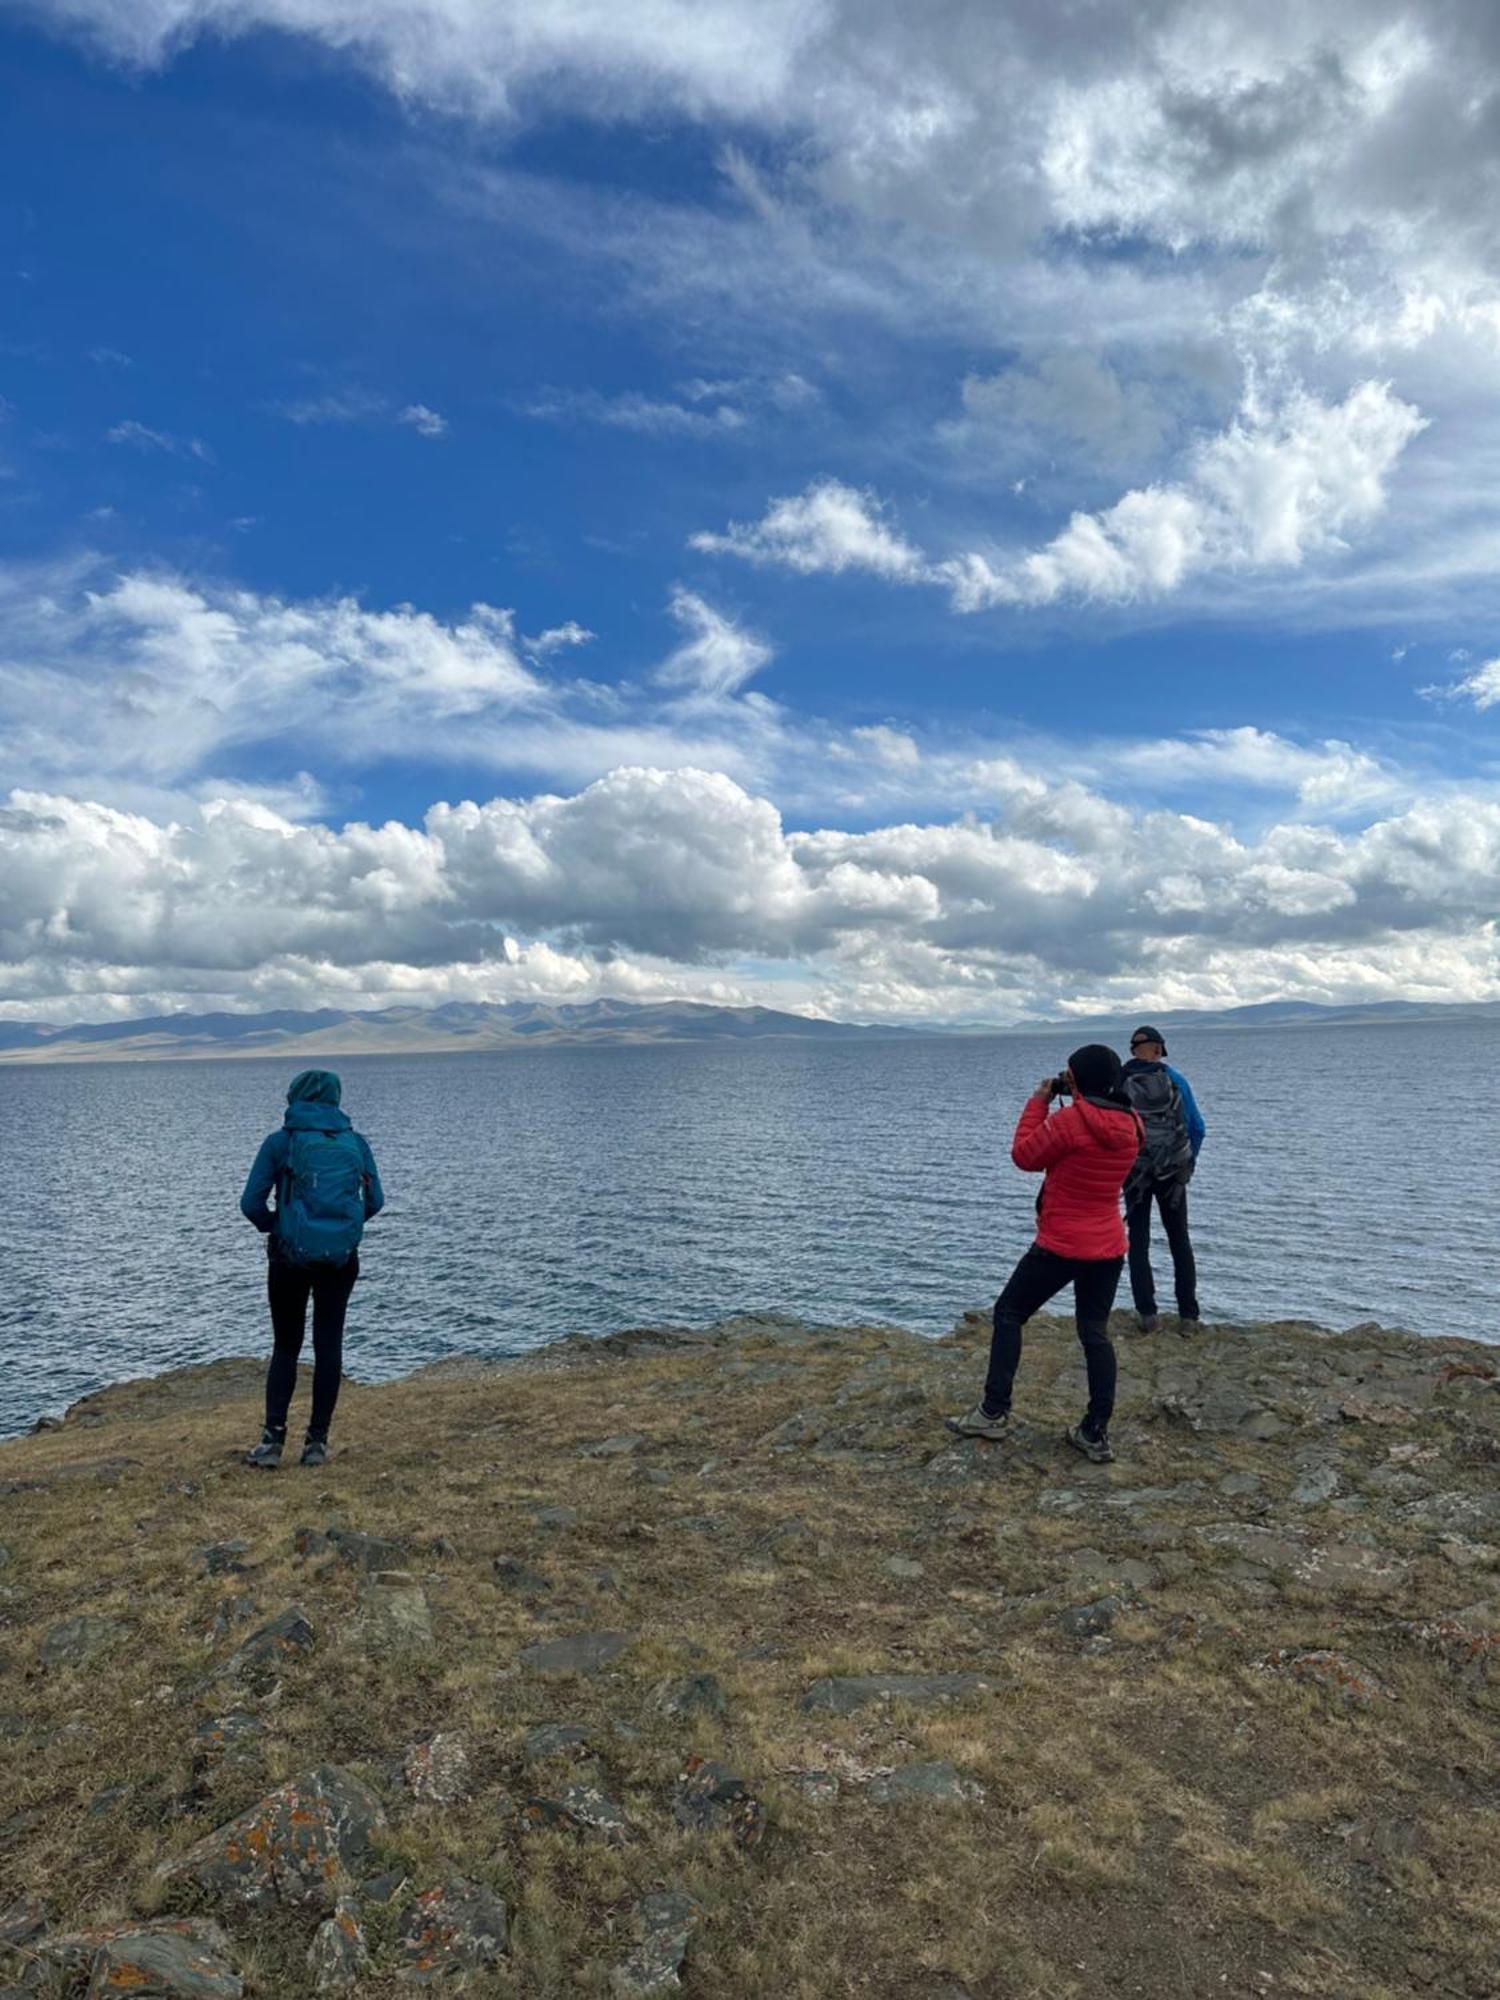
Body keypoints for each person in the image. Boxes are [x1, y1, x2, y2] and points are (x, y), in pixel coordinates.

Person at [948, 1045, 1143, 1464]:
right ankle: (1095, 1431)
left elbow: (1025, 1156)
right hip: (1108, 1244)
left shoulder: (1070, 1121)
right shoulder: (1132, 1123)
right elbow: (1096, 1125)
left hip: (1061, 1243)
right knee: (1094, 1333)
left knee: (1009, 1314)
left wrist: (1039, 1099)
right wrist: (1074, 1093)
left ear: (1074, 1081)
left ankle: (993, 1412)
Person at [239, 1069, 384, 1469]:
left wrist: (277, 1225)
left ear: (294, 1098)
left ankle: (272, 1443)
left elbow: (251, 1203)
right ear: (336, 1098)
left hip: (288, 1257)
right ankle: (316, 1443)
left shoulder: (279, 1143)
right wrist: (340, 1229)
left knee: (286, 1346)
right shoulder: (356, 1143)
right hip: (340, 1259)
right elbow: (375, 1202)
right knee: (329, 1346)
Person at [1119, 1026, 1205, 1334]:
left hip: (1135, 1173)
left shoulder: (1118, 1081)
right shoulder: (1175, 1080)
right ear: (1159, 1050)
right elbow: (1198, 1127)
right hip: (1172, 1174)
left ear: (1133, 1050)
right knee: (1179, 1241)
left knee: (1138, 1242)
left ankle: (1148, 1315)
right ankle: (1188, 1317)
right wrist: (1187, 1162)